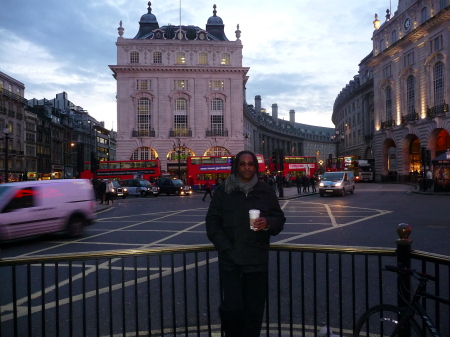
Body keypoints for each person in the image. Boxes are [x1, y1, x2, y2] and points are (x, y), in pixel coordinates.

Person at [206, 151, 286, 337]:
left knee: (254, 311)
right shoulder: (223, 191)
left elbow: (279, 219)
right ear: (236, 166)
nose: (247, 167)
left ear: (256, 167)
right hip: (231, 260)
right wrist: (226, 248)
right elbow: (212, 223)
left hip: (256, 259)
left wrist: (267, 223)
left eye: (250, 164)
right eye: (242, 164)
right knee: (232, 308)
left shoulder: (265, 191)